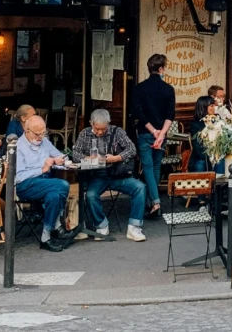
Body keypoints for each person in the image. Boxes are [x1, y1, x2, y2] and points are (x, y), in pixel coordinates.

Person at [74, 109, 147, 242]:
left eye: (103, 129)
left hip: (117, 173)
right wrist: (88, 158)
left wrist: (117, 157)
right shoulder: (84, 134)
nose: (100, 132)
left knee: (140, 187)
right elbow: (75, 154)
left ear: (108, 123)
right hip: (98, 175)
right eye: (97, 129)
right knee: (90, 195)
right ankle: (101, 225)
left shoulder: (117, 131)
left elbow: (132, 149)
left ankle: (134, 227)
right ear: (91, 123)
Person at [13, 115, 72, 252]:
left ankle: (45, 237)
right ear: (26, 131)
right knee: (63, 185)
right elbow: (19, 177)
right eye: (37, 134)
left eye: (43, 133)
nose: (41, 137)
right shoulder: (18, 147)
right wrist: (42, 168)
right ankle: (57, 226)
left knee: (54, 196)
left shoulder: (44, 141)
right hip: (27, 185)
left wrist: (59, 159)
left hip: (46, 183)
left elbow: (61, 155)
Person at [130, 54, 176, 216]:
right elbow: (170, 114)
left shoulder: (139, 88)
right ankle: (154, 201)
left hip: (145, 132)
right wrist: (161, 133)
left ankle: (154, 202)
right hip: (161, 134)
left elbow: (138, 113)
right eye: (165, 67)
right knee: (156, 166)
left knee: (148, 167)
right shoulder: (169, 89)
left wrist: (153, 131)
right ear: (161, 69)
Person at [190, 96, 216, 173]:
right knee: (201, 164)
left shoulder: (217, 121)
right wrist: (209, 158)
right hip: (202, 156)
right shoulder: (196, 125)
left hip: (217, 155)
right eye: (211, 106)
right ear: (204, 107)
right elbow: (197, 148)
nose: (214, 108)